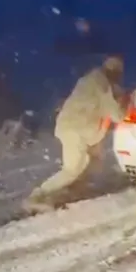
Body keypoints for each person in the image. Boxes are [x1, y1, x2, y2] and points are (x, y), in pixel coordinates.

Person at [23, 55, 128, 213]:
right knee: (72, 169)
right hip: (76, 130)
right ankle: (36, 197)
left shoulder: (91, 79)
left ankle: (67, 193)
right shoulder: (103, 85)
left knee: (90, 161)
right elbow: (116, 115)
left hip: (74, 127)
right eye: (119, 74)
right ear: (115, 72)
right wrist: (124, 103)